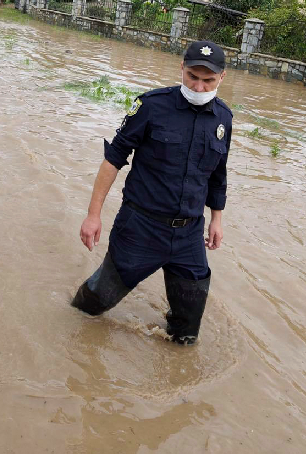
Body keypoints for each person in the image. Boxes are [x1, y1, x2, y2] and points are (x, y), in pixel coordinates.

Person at [71, 40, 233, 346]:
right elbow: (113, 159)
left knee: (186, 332)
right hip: (140, 228)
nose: (199, 87)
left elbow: (218, 173)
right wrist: (93, 215)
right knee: (92, 306)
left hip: (189, 235)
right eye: (192, 77)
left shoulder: (223, 119)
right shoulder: (151, 107)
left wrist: (216, 219)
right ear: (181, 69)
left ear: (222, 77)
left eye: (208, 80)